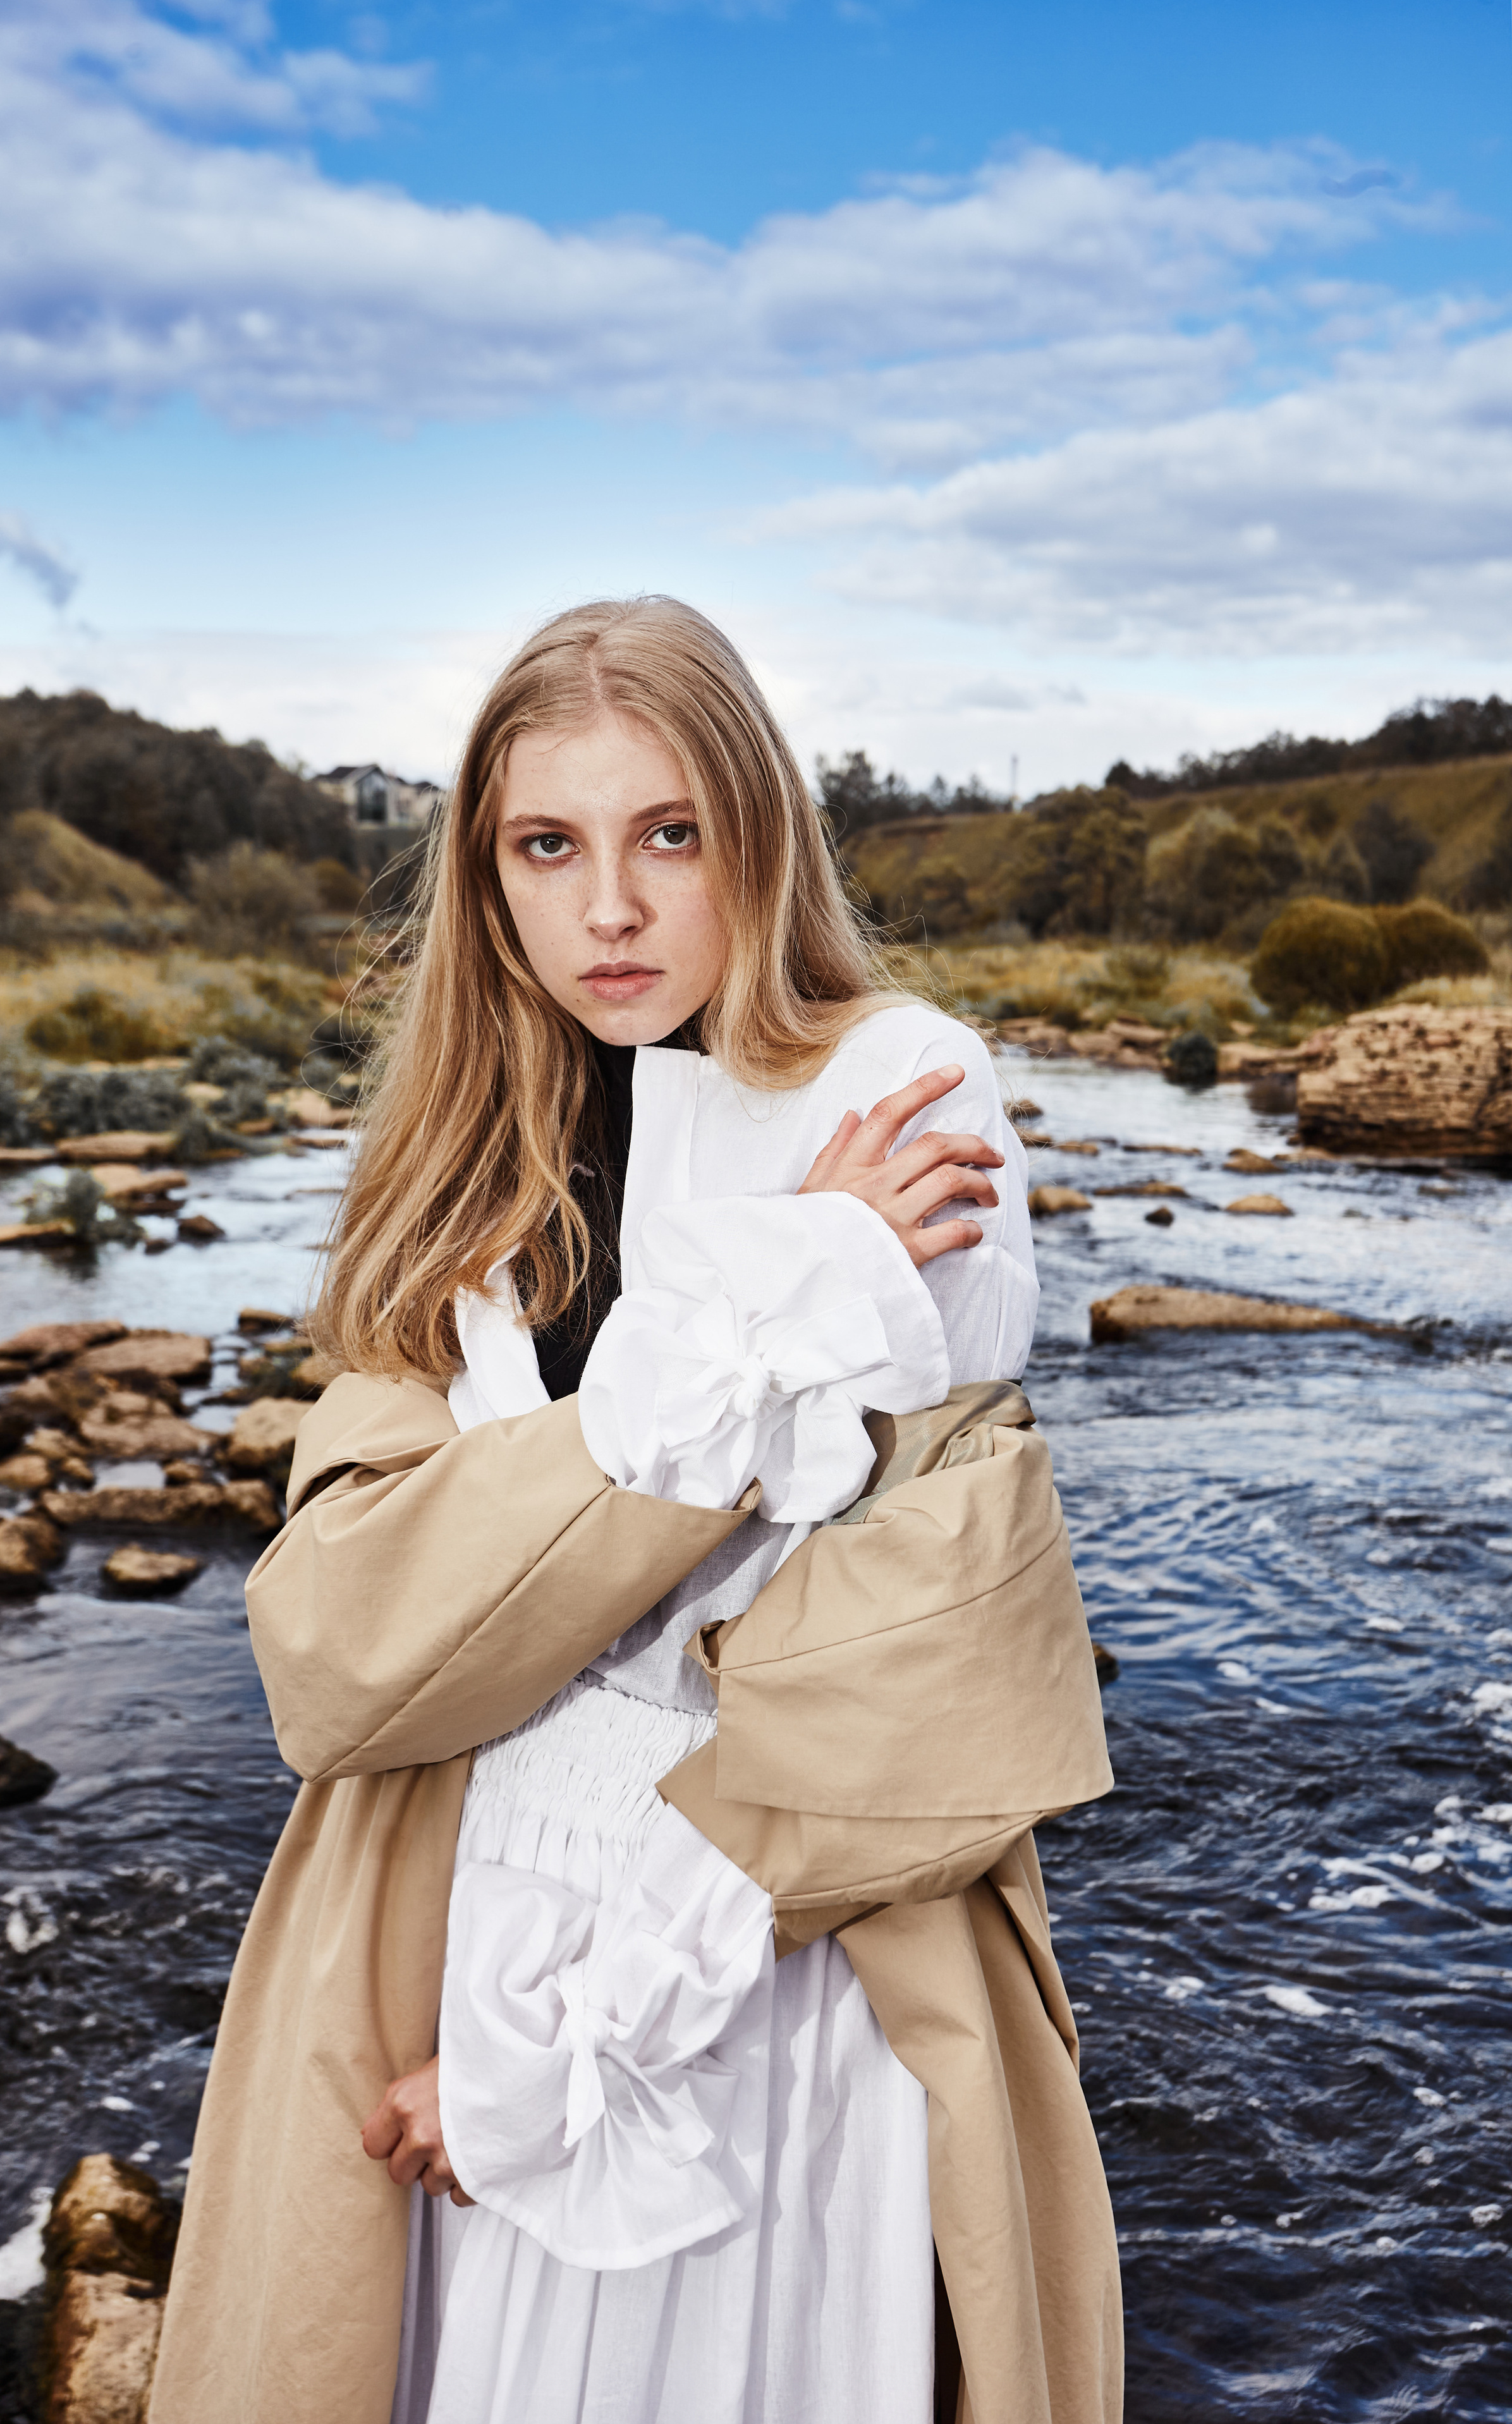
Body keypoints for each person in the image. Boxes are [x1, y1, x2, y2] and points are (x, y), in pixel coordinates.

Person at [149, 597, 1120, 2424]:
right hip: (452, 1934)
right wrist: (763, 1321)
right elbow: (341, 1652)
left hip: (757, 1984)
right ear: (488, 872)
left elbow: (914, 1676)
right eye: (549, 843)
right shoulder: (455, 1164)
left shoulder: (899, 1088)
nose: (611, 905)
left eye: (670, 833)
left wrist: (568, 2053)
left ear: (758, 830)